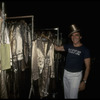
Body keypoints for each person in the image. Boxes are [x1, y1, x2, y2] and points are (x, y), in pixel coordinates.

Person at [54, 24, 91, 99]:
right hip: (66, 73)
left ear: (80, 37)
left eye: (76, 35)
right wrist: (48, 41)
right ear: (71, 38)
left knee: (73, 97)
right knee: (66, 96)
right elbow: (57, 48)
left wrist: (84, 81)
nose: (74, 37)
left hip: (76, 76)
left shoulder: (85, 50)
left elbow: (88, 67)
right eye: (72, 35)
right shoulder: (69, 46)